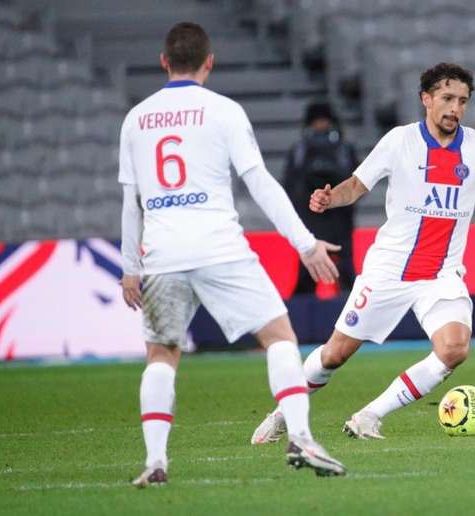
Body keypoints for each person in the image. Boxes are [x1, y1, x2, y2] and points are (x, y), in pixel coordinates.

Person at [251, 62, 475, 444]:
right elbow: (357, 185)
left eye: (462, 101)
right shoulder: (399, 141)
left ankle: (369, 415)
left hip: (442, 275)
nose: (454, 108)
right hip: (389, 269)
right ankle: (283, 413)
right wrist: (330, 198)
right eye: (446, 98)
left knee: (454, 349)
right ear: (426, 99)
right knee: (334, 355)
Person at [119, 22, 346, 486]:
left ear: (164, 62)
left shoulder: (136, 119)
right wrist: (305, 242)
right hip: (220, 247)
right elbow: (259, 182)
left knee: (161, 356)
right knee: (280, 336)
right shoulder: (223, 111)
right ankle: (300, 437)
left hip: (162, 255)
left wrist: (130, 268)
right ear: (210, 62)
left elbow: (131, 201)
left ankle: (155, 463)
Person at [283, 101, 358, 294]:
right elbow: (290, 186)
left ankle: (352, 319)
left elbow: (358, 185)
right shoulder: (299, 150)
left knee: (346, 274)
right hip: (309, 221)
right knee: (307, 274)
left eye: (324, 121)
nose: (320, 126)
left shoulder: (344, 149)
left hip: (339, 221)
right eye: (317, 122)